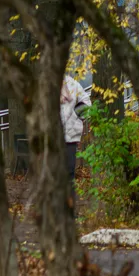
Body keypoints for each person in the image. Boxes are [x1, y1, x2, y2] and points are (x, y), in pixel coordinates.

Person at [60, 73, 91, 201]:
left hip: (70, 136)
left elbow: (87, 102)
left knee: (69, 172)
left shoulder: (72, 84)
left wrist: (74, 117)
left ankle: (69, 207)